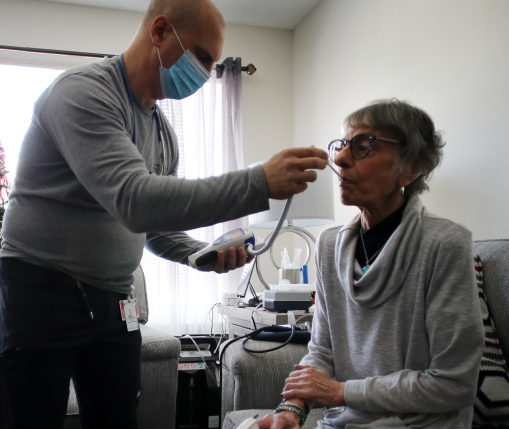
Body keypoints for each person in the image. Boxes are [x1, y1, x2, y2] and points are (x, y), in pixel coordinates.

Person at [0, 0, 327, 428]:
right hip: (42, 290)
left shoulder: (162, 133)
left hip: (116, 300)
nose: (207, 74)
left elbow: (153, 226)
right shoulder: (83, 93)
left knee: (118, 418)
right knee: (30, 417)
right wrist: (258, 183)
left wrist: (199, 254)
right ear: (159, 31)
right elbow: (135, 200)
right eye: (202, 57)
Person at [257, 99, 484, 429]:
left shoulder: (444, 245)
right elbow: (322, 351)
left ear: (411, 167)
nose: (339, 159)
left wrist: (341, 393)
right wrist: (293, 410)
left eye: (363, 146)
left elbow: (455, 384)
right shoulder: (329, 244)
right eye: (342, 145)